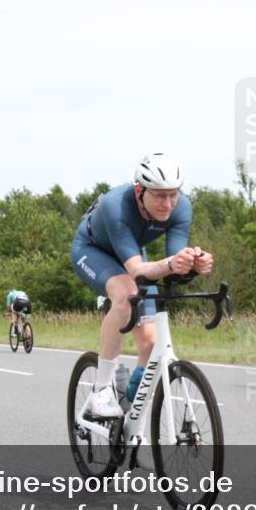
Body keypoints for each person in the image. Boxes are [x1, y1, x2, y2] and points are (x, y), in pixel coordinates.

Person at [70, 153, 213, 417]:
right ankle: (101, 390)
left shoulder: (181, 208)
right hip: (93, 250)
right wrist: (173, 263)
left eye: (173, 195)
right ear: (140, 191)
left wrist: (192, 265)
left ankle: (129, 407)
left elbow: (173, 264)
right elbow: (137, 270)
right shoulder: (116, 204)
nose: (167, 204)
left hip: (132, 251)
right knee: (126, 294)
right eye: (159, 196)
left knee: (149, 343)